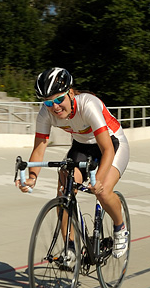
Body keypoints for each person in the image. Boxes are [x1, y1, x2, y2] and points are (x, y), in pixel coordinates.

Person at [16, 67, 130, 259]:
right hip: (82, 147)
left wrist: (98, 180)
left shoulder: (88, 104)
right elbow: (39, 148)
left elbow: (108, 149)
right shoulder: (46, 113)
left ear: (70, 93)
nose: (55, 107)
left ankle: (120, 228)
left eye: (59, 99)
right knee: (64, 188)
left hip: (112, 143)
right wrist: (32, 177)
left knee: (102, 191)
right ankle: (70, 247)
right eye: (49, 102)